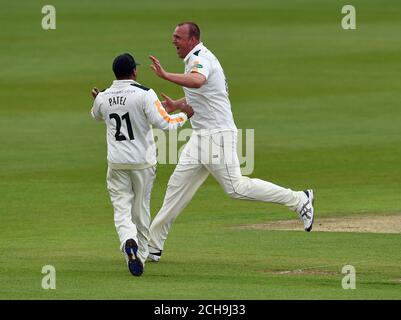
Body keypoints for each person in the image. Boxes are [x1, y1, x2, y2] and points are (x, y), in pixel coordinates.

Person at [147, 22, 315, 262]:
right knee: (176, 188)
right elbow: (202, 92)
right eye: (173, 36)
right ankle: (153, 246)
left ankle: (300, 199)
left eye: (178, 37)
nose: (173, 41)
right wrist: (177, 104)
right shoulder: (195, 59)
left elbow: (197, 81)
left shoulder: (201, 58)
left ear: (193, 39)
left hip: (218, 137)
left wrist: (165, 76)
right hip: (200, 137)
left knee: (236, 188)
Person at [90, 53, 193, 276]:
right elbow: (166, 124)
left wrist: (99, 98)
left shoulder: (103, 96)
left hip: (116, 163)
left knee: (121, 209)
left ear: (115, 73)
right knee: (141, 208)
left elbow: (97, 116)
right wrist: (186, 116)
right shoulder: (145, 94)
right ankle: (142, 254)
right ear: (134, 71)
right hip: (143, 163)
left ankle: (129, 241)